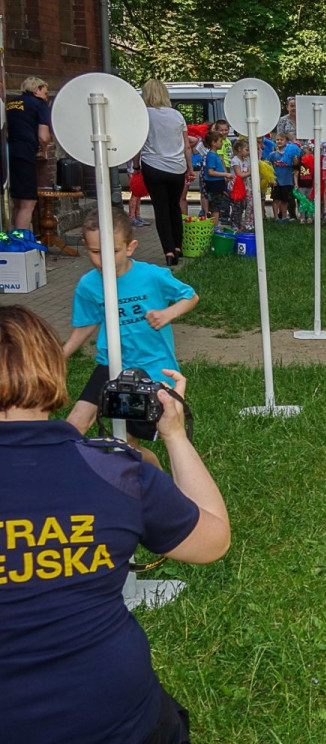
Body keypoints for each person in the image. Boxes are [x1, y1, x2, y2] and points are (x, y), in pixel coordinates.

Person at [0, 305, 230, 744]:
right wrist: (173, 436)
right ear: (52, 369)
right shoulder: (117, 471)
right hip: (109, 740)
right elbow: (214, 541)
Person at [62, 209, 198, 469]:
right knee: (75, 425)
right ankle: (66, 479)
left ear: (130, 247)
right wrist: (61, 355)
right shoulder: (88, 285)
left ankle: (161, 482)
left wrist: (169, 313)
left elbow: (190, 297)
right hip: (110, 365)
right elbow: (86, 324)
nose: (102, 261)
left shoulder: (152, 276)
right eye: (94, 252)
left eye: (112, 251)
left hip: (151, 366)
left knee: (130, 446)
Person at [133, 79, 193, 266]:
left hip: (153, 166)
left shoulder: (144, 115)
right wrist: (190, 169)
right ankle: (178, 246)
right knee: (174, 206)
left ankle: (168, 251)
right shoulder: (177, 115)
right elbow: (186, 146)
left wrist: (136, 167)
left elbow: (138, 145)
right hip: (177, 168)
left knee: (161, 210)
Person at [5, 76, 53, 232]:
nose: (46, 97)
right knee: (28, 201)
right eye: (45, 93)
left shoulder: (11, 103)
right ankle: (20, 242)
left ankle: (13, 236)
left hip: (8, 152)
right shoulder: (39, 104)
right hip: (26, 152)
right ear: (36, 90)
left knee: (17, 201)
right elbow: (43, 136)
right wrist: (43, 148)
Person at [201, 130, 232, 225]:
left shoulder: (215, 155)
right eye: (220, 141)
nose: (222, 143)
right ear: (214, 143)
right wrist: (225, 175)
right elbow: (211, 172)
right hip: (214, 185)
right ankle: (214, 227)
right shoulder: (211, 156)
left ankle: (215, 225)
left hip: (218, 184)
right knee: (215, 208)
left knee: (217, 206)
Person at [269, 131, 301, 221]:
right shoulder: (273, 155)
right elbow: (269, 167)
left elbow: (295, 165)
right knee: (276, 200)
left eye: (281, 140)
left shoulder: (290, 154)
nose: (279, 141)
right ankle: (276, 217)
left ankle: (284, 217)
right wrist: (272, 179)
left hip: (287, 181)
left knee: (285, 200)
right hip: (277, 181)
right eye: (277, 140)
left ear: (286, 142)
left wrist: (295, 158)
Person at [228, 138, 252, 231]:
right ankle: (234, 224)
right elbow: (239, 174)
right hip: (236, 187)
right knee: (236, 207)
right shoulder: (235, 160)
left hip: (244, 186)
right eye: (247, 149)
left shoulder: (246, 160)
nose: (248, 152)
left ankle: (240, 223)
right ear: (239, 149)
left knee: (242, 206)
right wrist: (250, 173)